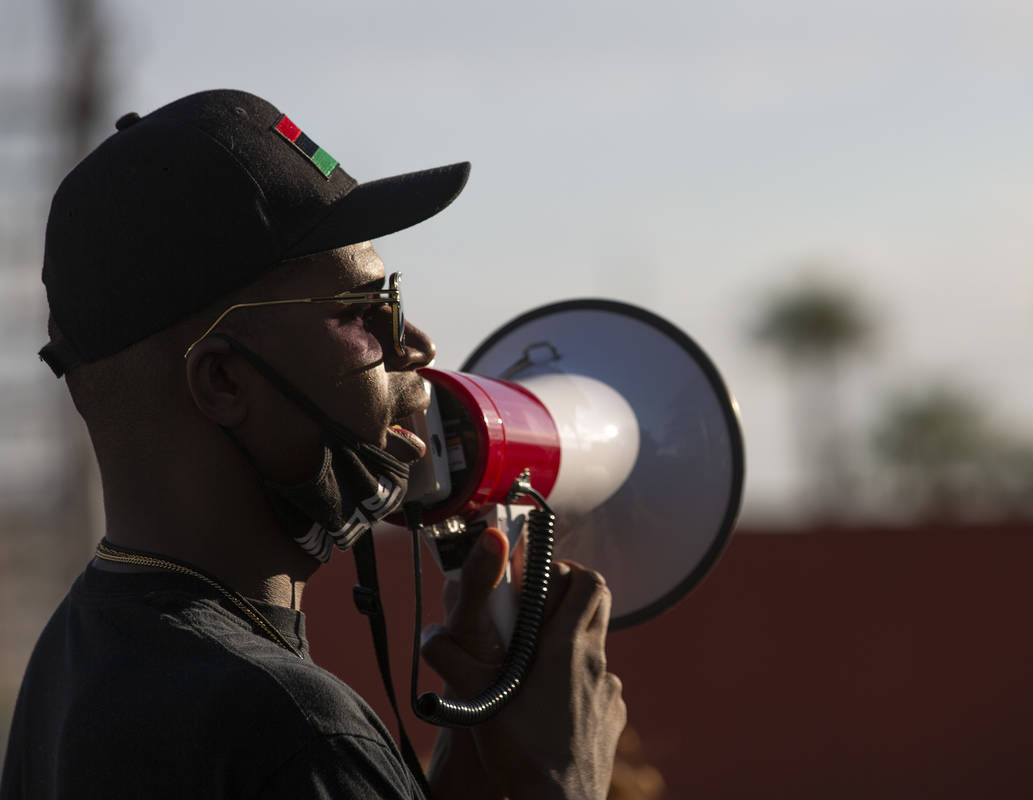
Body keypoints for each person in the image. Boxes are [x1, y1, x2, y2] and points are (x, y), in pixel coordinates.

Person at [0, 89, 625, 799]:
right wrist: (563, 780)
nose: (417, 345)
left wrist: (476, 756)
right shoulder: (295, 734)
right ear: (224, 380)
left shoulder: (72, 659)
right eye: (366, 309)